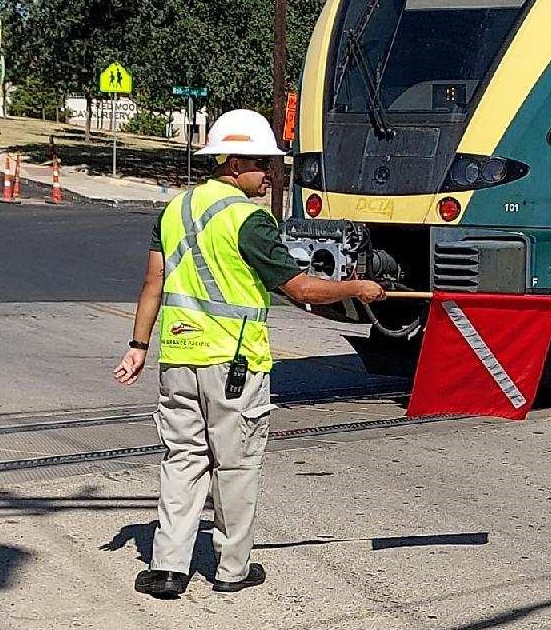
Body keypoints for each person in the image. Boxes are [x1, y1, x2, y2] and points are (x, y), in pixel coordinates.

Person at [112, 108, 384, 599]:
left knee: (182, 460)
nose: (273, 174)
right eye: (264, 164)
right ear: (234, 163)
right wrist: (357, 287)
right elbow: (300, 288)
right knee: (235, 466)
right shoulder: (249, 220)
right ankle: (232, 569)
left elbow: (154, 281)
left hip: (179, 359)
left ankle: (168, 569)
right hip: (234, 365)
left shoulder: (175, 210)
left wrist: (138, 346)